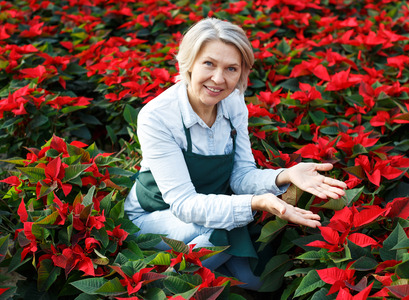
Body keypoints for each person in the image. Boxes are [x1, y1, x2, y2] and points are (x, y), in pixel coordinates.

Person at [124, 17, 347, 291]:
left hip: (209, 206)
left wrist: (285, 175)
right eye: (209, 64)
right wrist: (255, 203)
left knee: (259, 282)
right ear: (188, 63)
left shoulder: (232, 102)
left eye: (231, 68)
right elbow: (184, 204)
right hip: (156, 213)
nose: (219, 79)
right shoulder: (157, 116)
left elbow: (241, 175)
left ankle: (206, 278)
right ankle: (166, 288)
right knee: (220, 230)